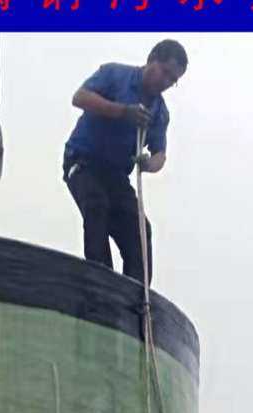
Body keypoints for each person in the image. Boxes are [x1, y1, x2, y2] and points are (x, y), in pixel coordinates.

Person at [62, 40, 187, 285]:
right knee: (96, 205)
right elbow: (80, 98)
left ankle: (136, 297)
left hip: (116, 176)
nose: (166, 82)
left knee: (139, 230)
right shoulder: (114, 75)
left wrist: (148, 164)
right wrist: (122, 111)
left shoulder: (159, 113)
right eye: (165, 72)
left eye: (173, 80)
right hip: (83, 162)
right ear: (152, 59)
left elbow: (160, 155)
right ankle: (100, 281)